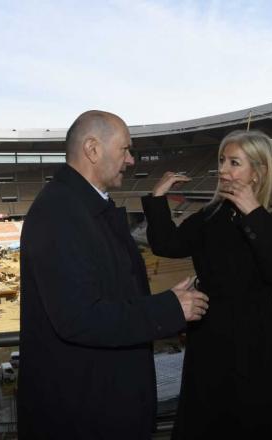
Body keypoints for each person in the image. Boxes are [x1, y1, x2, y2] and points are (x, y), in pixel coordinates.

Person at [18, 110, 209, 440]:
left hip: (99, 405)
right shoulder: (60, 214)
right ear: (92, 149)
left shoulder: (83, 207)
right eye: (125, 149)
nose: (131, 160)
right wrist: (169, 308)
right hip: (84, 416)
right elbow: (80, 317)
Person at [141, 130, 272, 439]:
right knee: (204, 417)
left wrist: (253, 214)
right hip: (209, 335)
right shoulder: (212, 214)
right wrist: (158, 199)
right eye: (221, 160)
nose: (223, 170)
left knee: (252, 418)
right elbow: (169, 244)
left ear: (259, 171)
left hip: (254, 339)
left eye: (234, 162)